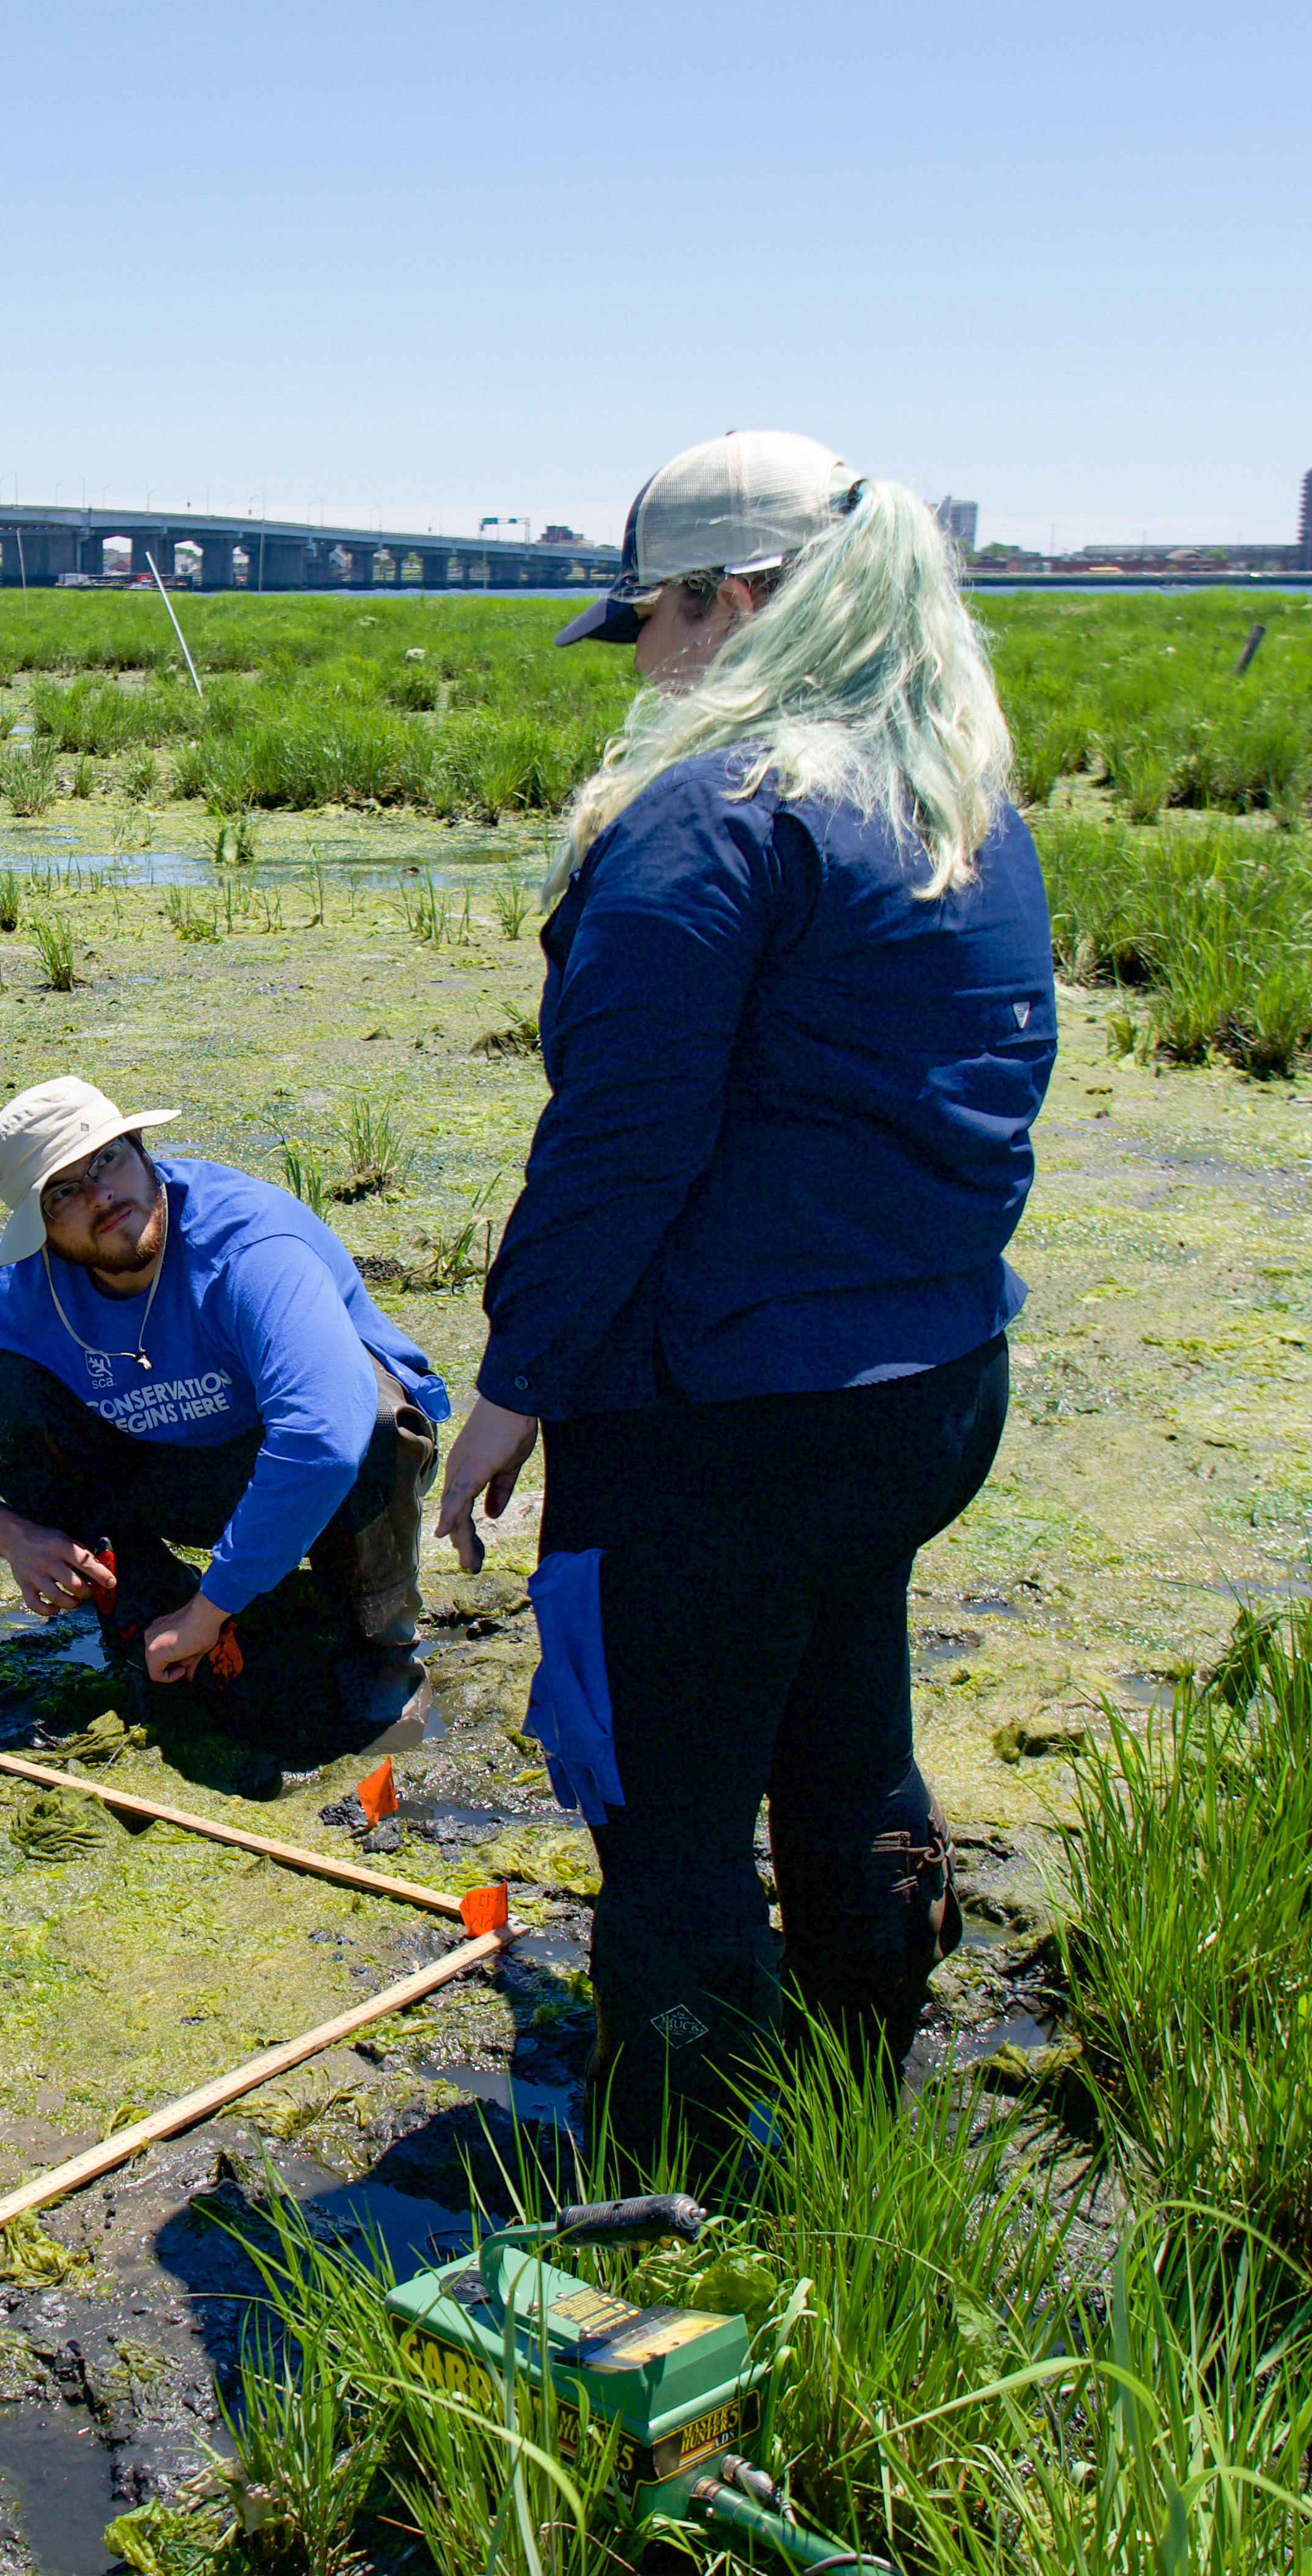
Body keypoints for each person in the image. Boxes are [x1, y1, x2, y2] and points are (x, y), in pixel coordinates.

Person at [437, 432, 1054, 2156]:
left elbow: (615, 1147)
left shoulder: (704, 820)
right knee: (844, 1735)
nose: (632, 659)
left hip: (720, 1424)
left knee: (671, 1814)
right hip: (924, 1389)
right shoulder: (958, 804)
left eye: (643, 618)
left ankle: (675, 2181)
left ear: (728, 606)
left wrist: (514, 1384)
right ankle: (864, 2098)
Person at [0, 1076, 450, 1791]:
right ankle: (143, 1612)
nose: (100, 1195)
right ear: (40, 1228)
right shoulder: (8, 1294)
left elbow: (320, 1437)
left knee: (369, 1421)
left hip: (318, 1475)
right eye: (62, 1192)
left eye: (107, 1160)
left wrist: (214, 1605)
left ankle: (379, 1653)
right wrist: (9, 1534)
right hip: (164, 1469)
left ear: (141, 1149)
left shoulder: (246, 1242)